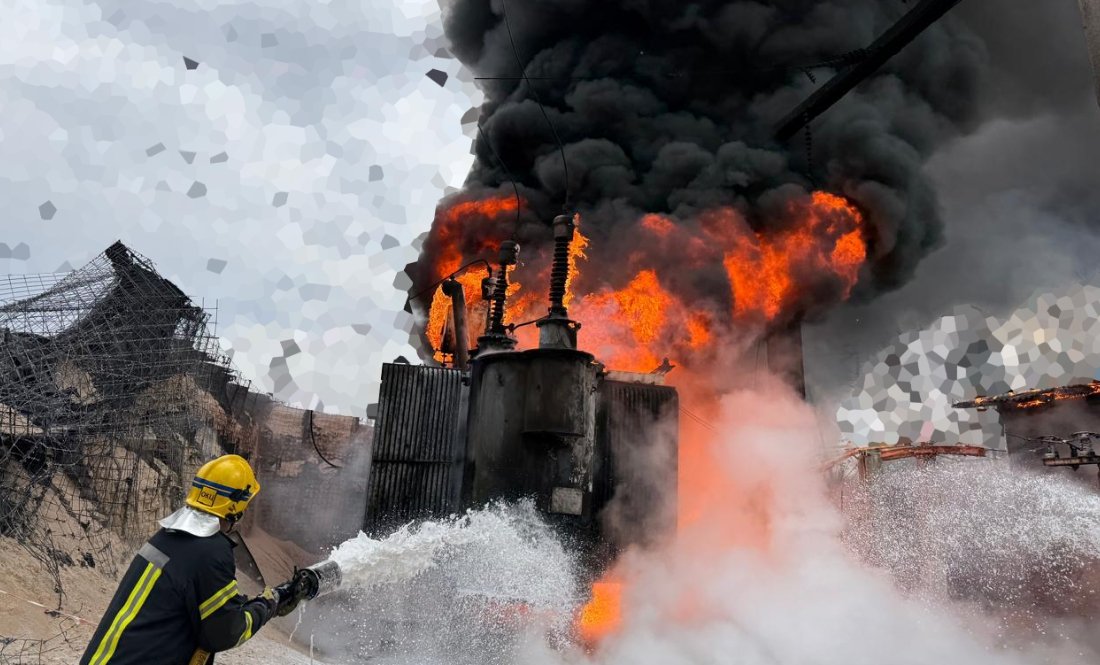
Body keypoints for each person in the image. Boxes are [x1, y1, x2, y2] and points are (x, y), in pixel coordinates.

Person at [80, 454, 303, 665]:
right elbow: (224, 633)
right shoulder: (212, 551)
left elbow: (192, 601)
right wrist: (267, 604)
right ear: (237, 509)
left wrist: (241, 604)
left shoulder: (166, 537)